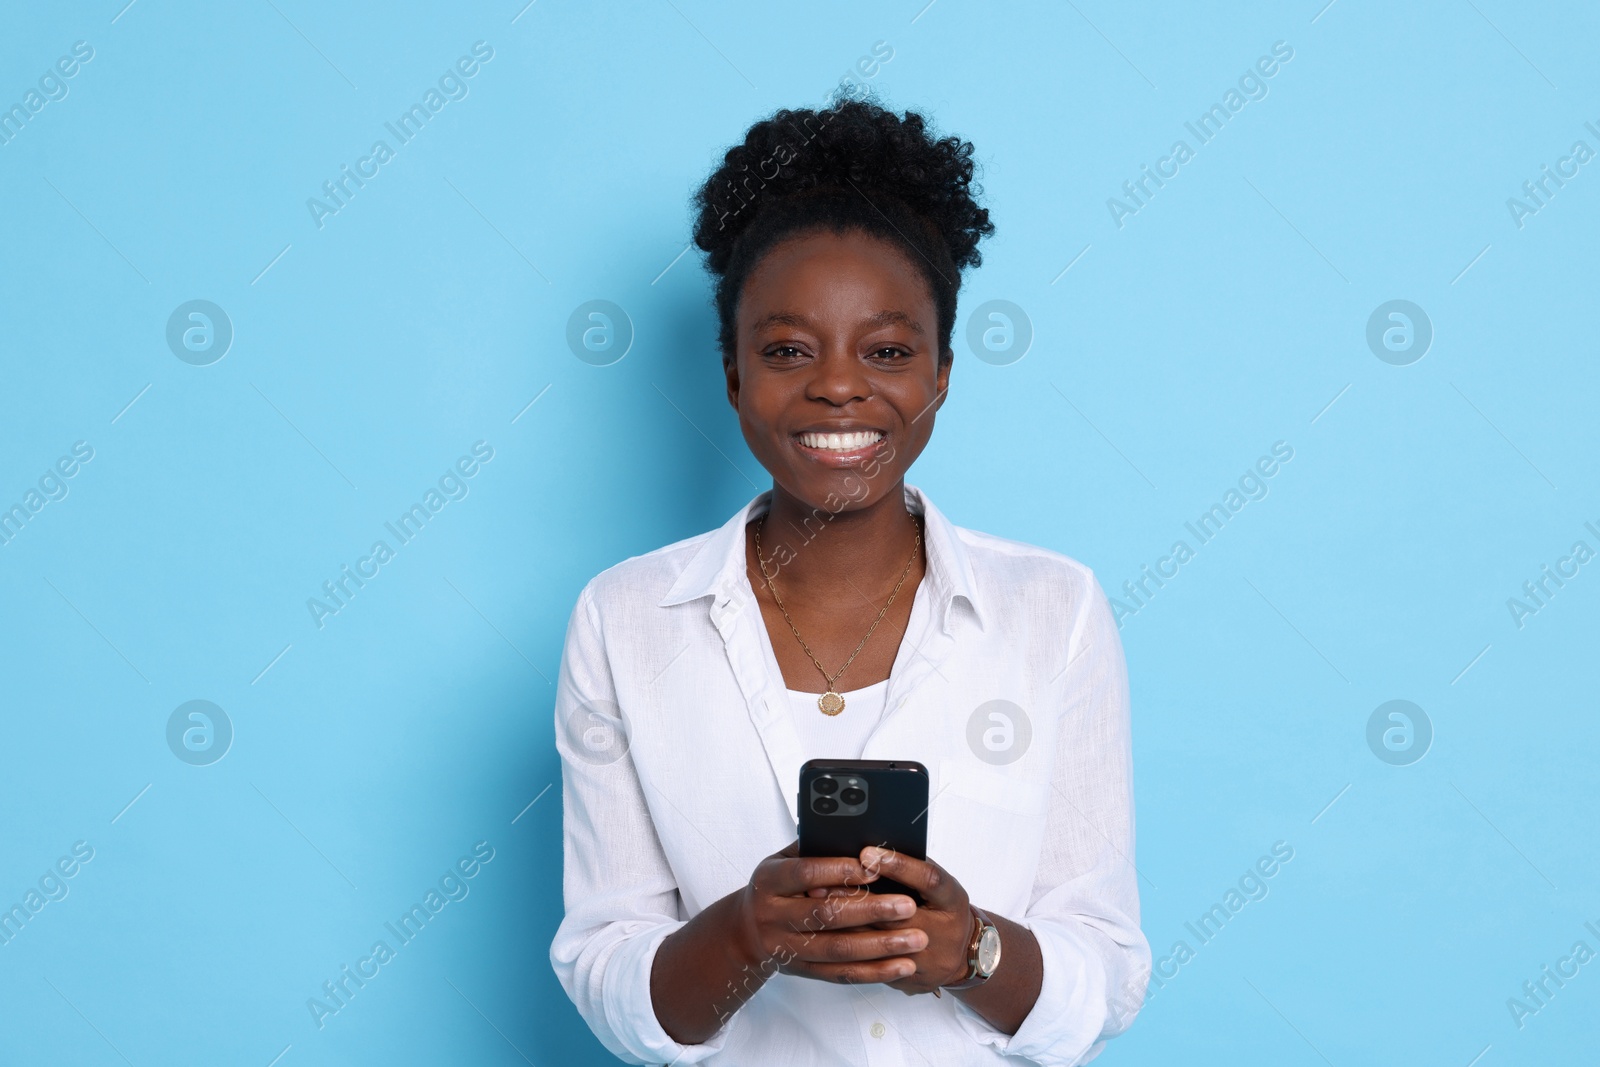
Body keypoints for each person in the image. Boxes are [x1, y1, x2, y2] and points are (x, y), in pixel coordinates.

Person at [550, 96, 1148, 1067]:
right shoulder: (624, 621)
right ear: (733, 374)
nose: (837, 385)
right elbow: (609, 969)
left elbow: (1105, 967)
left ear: (943, 371)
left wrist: (971, 948)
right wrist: (747, 931)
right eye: (788, 349)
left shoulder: (1054, 611)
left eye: (887, 350)